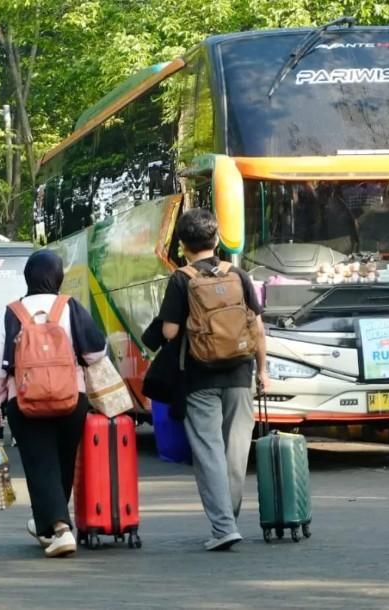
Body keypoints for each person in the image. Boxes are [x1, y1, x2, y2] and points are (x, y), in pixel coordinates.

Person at [0, 250, 107, 558]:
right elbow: (96, 354)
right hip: (70, 398)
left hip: (24, 401)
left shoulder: (12, 312)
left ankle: (60, 529)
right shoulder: (70, 307)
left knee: (40, 465)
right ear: (58, 276)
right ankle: (49, 524)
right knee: (63, 463)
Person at [158, 208, 268, 551]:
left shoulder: (181, 279)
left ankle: (223, 526)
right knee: (236, 453)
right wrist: (263, 371)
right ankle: (228, 520)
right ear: (216, 239)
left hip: (199, 378)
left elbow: (170, 331)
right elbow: (258, 328)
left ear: (182, 245)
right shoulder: (237, 274)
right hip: (240, 373)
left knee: (209, 453)